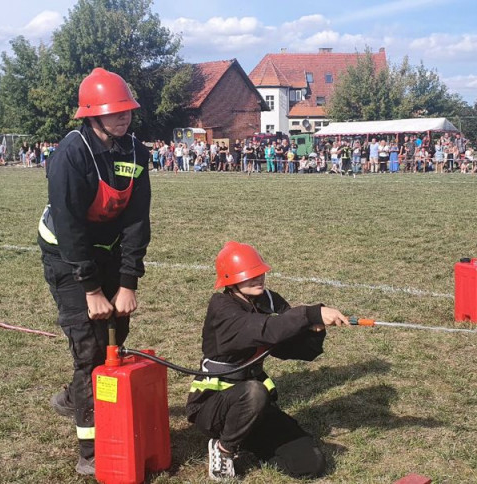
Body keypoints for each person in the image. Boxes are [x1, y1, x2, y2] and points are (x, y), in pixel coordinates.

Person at [39, 68, 152, 476]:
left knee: (115, 339)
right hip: (67, 255)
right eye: (114, 112)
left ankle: (75, 395)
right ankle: (91, 450)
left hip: (110, 251)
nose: (123, 118)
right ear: (92, 115)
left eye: (127, 111)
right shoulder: (70, 155)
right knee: (89, 348)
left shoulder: (137, 153)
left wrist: (127, 283)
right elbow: (69, 227)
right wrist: (90, 289)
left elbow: (138, 221)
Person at [187, 241, 349, 480]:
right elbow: (266, 330)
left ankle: (246, 439)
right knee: (254, 391)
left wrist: (313, 331)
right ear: (231, 281)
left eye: (259, 273)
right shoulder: (222, 309)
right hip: (213, 406)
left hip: (256, 407)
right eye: (249, 276)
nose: (258, 279)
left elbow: (291, 347)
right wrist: (310, 313)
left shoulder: (268, 301)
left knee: (309, 463)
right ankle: (224, 449)